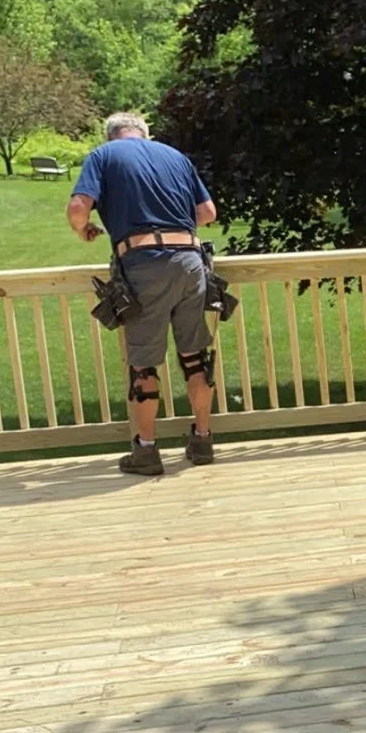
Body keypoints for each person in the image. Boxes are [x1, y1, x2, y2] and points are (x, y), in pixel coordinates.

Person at [67, 111, 220, 475]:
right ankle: (202, 441)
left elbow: (77, 208)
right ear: (144, 134)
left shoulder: (103, 156)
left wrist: (84, 228)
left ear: (112, 135)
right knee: (195, 356)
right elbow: (208, 212)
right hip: (190, 261)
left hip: (143, 265)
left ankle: (147, 452)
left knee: (143, 361)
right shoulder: (175, 156)